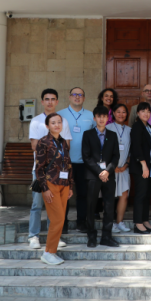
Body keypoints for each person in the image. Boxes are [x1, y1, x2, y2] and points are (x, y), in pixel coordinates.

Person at [29, 88, 72, 249]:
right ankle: (33, 236)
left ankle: (53, 236)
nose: (50, 102)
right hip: (42, 171)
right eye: (47, 99)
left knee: (55, 206)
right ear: (42, 102)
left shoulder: (63, 121)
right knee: (37, 204)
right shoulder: (36, 121)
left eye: (53, 99)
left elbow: (66, 146)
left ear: (57, 102)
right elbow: (35, 146)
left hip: (59, 173)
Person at [34, 113, 74, 265]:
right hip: (50, 184)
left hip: (64, 184)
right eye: (53, 123)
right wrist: (45, 188)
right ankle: (48, 252)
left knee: (60, 219)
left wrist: (70, 185)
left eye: (59, 122)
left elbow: (68, 164)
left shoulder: (63, 142)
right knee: (57, 219)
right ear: (47, 126)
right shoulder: (43, 142)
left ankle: (53, 251)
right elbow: (39, 168)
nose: (57, 125)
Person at [82, 106, 120, 248]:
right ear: (94, 118)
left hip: (109, 176)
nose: (102, 119)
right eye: (99, 116)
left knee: (109, 206)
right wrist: (99, 171)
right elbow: (86, 157)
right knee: (91, 206)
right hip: (93, 175)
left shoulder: (113, 135)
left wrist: (107, 171)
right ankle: (91, 236)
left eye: (104, 116)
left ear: (107, 118)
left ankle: (106, 237)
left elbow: (116, 156)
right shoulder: (88, 134)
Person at [58, 87, 95, 234]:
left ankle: (81, 223)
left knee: (83, 194)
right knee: (64, 194)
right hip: (64, 162)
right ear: (69, 97)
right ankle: (63, 224)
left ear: (84, 98)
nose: (77, 97)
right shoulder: (60, 114)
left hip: (84, 162)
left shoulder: (90, 116)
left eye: (80, 95)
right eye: (74, 94)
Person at [129, 102, 151, 234]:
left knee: (147, 195)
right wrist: (144, 165)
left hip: (150, 167)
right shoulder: (136, 126)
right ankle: (138, 223)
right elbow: (137, 147)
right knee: (140, 195)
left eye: (148, 111)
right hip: (141, 167)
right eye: (143, 111)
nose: (146, 113)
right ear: (138, 113)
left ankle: (145, 220)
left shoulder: (150, 127)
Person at [107, 104, 131, 234]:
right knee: (109, 196)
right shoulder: (107, 128)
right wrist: (111, 167)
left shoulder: (130, 130)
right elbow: (103, 150)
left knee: (124, 195)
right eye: (118, 112)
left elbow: (132, 151)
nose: (121, 114)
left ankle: (119, 222)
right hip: (111, 169)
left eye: (123, 112)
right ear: (113, 114)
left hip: (124, 169)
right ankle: (110, 223)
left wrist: (126, 165)